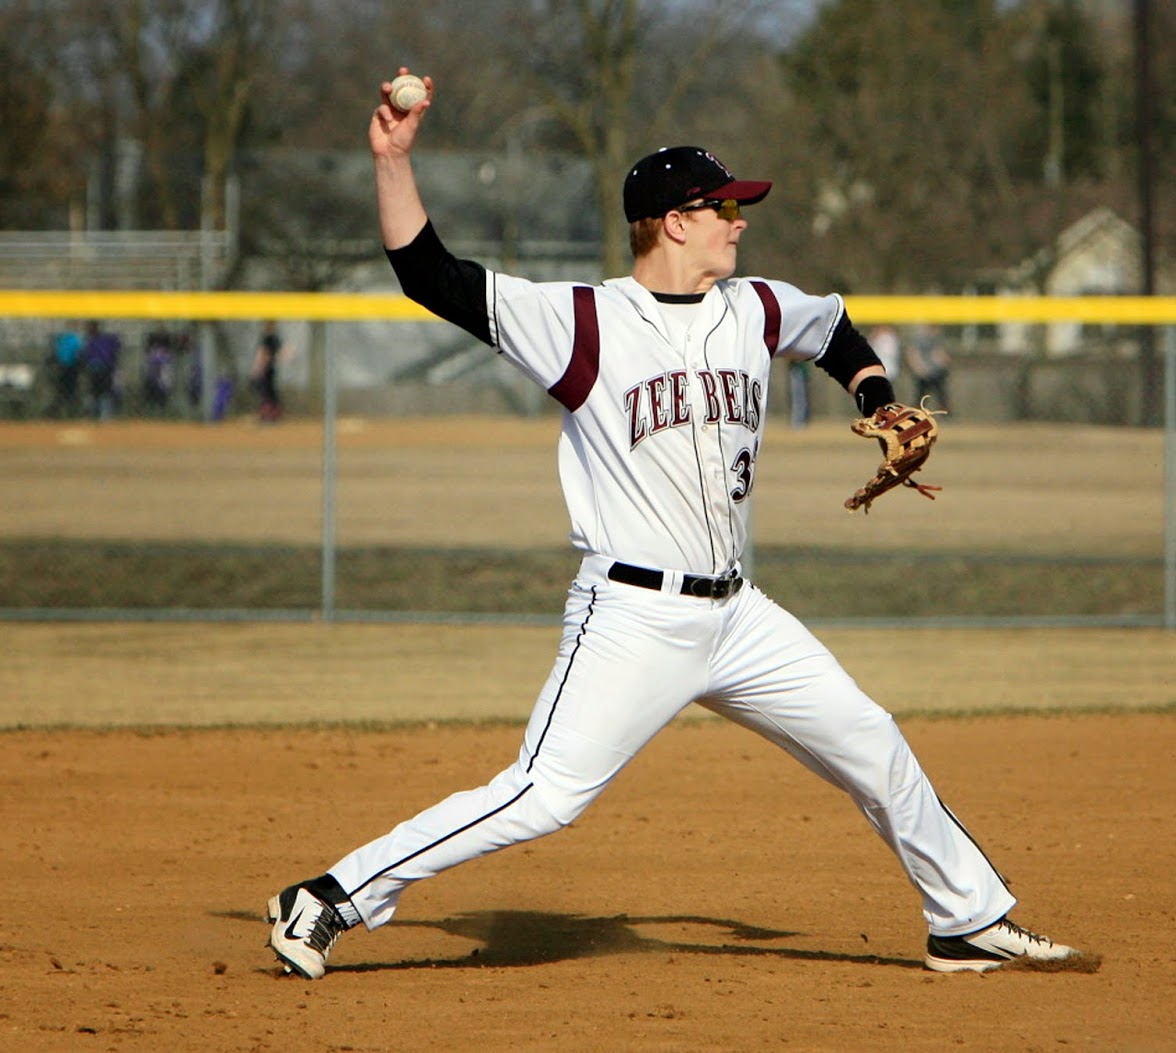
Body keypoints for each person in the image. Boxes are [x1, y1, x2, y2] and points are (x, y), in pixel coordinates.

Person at [264, 68, 1093, 982]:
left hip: (739, 616)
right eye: (723, 207)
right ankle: (331, 895)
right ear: (673, 222)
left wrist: (882, 400)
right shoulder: (583, 321)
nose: (740, 221)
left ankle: (965, 918)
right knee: (543, 795)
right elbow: (431, 275)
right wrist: (392, 160)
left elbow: (837, 331)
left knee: (871, 740)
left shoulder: (756, 307)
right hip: (631, 617)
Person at [906, 324, 952, 412]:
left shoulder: (937, 338)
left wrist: (945, 361)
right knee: (921, 394)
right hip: (923, 372)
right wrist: (919, 368)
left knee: (941, 394)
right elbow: (913, 353)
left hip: (937, 372)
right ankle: (916, 413)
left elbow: (940, 353)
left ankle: (945, 412)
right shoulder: (919, 339)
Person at [82, 321, 121, 421]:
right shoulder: (92, 340)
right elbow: (86, 355)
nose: (89, 330)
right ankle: (94, 414)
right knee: (96, 391)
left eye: (90, 327)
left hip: (104, 368)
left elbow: (115, 349)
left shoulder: (103, 339)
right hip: (98, 368)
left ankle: (101, 414)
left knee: (102, 391)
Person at [251, 321, 286, 422]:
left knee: (267, 392)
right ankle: (271, 414)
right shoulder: (273, 338)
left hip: (267, 368)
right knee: (269, 391)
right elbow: (282, 352)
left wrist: (257, 367)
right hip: (269, 368)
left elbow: (262, 354)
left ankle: (268, 414)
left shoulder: (269, 338)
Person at [47, 325, 83, 418]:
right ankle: (69, 413)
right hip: (70, 369)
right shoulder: (74, 340)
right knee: (69, 392)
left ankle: (58, 411)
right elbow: (78, 355)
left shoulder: (62, 340)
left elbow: (54, 354)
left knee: (63, 392)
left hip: (63, 369)